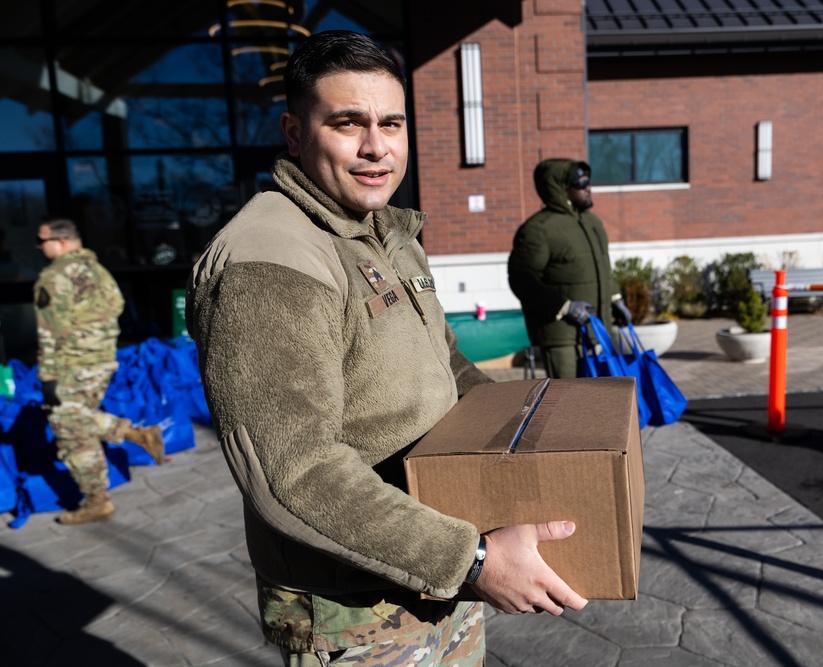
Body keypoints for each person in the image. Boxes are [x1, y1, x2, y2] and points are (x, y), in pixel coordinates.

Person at [186, 31, 586, 666]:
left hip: (437, 568)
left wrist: (531, 439)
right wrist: (473, 559)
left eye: (391, 123)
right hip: (356, 606)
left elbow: (446, 363)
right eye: (347, 123)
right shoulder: (271, 258)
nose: (376, 146)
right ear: (294, 133)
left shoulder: (387, 235)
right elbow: (292, 472)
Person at [33, 218, 165, 525]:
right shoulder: (98, 271)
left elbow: (49, 331)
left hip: (72, 363)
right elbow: (116, 306)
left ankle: (98, 498)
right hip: (101, 360)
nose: (39, 247)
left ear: (61, 242)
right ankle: (135, 437)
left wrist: (48, 377)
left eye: (42, 241)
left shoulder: (56, 276)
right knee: (77, 420)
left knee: (69, 426)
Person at [508, 159, 632, 378]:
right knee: (570, 405)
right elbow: (521, 279)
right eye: (581, 184)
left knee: (607, 404)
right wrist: (564, 306)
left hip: (600, 331)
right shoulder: (538, 230)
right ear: (561, 188)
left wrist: (616, 299)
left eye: (588, 182)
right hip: (563, 340)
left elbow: (603, 267)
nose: (589, 189)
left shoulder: (593, 223)